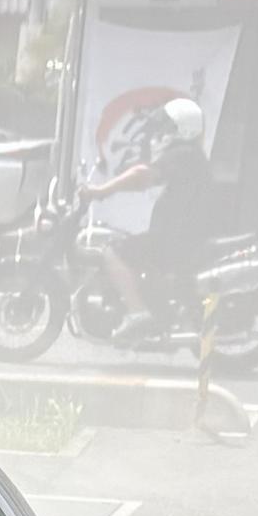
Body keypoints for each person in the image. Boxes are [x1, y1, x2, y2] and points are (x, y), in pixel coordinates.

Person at [80, 96, 217, 342]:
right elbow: (146, 180)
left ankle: (138, 313)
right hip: (177, 236)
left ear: (183, 129)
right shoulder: (188, 156)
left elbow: (142, 175)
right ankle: (150, 309)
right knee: (128, 248)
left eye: (167, 126)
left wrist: (101, 191)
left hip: (175, 240)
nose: (161, 133)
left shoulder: (183, 154)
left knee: (112, 252)